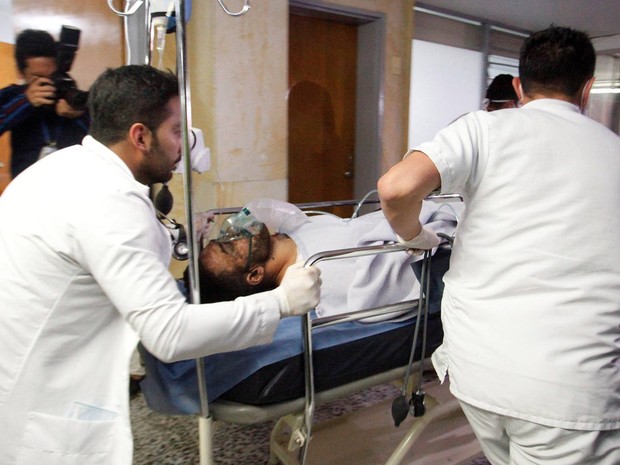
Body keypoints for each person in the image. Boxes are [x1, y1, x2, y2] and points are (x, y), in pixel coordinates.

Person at [0, 65, 320, 465]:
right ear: (139, 136)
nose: (181, 148)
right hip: (49, 413)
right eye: (174, 132)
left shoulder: (62, 168)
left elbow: (94, 252)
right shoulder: (112, 201)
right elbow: (169, 334)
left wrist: (168, 237)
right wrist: (281, 303)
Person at [377, 26, 620, 465]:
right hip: (568, 386)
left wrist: (415, 237)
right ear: (587, 89)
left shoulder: (483, 129)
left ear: (518, 86)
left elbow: (395, 188)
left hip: (477, 370)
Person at [198, 198, 459, 320]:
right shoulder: (316, 273)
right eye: (229, 248)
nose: (231, 234)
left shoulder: (294, 232)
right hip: (446, 238)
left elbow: (269, 209)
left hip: (424, 211)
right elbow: (376, 290)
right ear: (254, 275)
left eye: (222, 238)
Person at [0, 29, 90, 179]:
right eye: (38, 76)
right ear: (21, 72)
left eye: (52, 75)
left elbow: (105, 137)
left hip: (74, 183)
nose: (47, 82)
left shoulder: (70, 94)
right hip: (27, 186)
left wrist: (78, 114)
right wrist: (25, 101)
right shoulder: (12, 95)